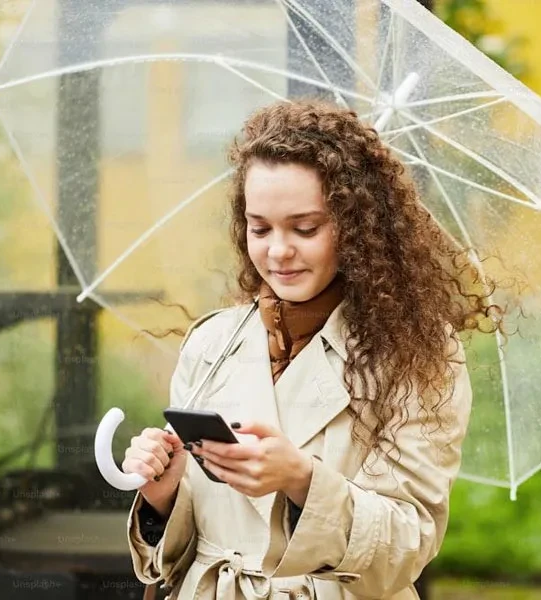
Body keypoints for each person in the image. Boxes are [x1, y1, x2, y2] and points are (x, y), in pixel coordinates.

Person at [121, 100, 505, 600]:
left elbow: (408, 542)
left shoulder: (417, 353)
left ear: (357, 225)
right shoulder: (212, 342)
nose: (278, 251)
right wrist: (163, 493)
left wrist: (302, 480)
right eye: (260, 228)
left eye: (305, 228)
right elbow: (199, 541)